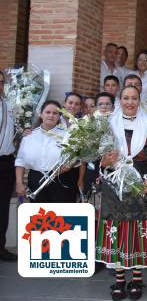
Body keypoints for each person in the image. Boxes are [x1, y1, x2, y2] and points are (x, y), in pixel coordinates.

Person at [96, 86, 147, 300]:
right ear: (120, 100)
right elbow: (96, 157)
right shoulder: (107, 124)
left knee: (138, 230)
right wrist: (103, 162)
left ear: (140, 101)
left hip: (142, 180)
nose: (130, 102)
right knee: (117, 230)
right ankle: (119, 279)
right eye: (126, 98)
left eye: (134, 98)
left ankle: (137, 278)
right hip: (114, 183)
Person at [15, 101, 77, 202]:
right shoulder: (29, 136)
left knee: (60, 216)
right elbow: (20, 161)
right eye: (47, 112)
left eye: (55, 113)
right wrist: (19, 183)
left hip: (60, 179)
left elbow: (73, 159)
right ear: (41, 114)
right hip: (35, 180)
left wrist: (55, 172)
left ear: (59, 116)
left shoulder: (67, 135)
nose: (51, 115)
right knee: (39, 216)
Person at [0, 71, 16, 262]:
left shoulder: (10, 105)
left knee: (2, 206)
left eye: (2, 82)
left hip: (5, 161)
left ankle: (0, 247)